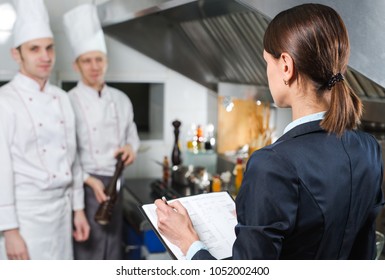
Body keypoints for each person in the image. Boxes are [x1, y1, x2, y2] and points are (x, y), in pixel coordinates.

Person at [155, 3, 384, 260]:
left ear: (286, 65)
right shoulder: (368, 148)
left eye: (267, 62)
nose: (267, 72)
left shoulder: (273, 164)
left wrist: (188, 242)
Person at [0, 0, 90, 260]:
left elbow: (71, 159)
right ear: (17, 55)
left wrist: (78, 210)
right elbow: (1, 169)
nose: (45, 56)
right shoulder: (5, 101)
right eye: (35, 49)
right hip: (26, 218)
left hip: (62, 213)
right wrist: (10, 231)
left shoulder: (62, 98)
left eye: (50, 47)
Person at [63, 4, 140, 260]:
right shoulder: (67, 102)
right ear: (76, 65)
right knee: (88, 251)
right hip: (85, 185)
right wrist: (87, 179)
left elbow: (132, 135)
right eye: (87, 61)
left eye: (99, 59)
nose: (94, 66)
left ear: (106, 61)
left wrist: (131, 148)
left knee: (113, 249)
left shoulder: (121, 99)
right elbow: (64, 153)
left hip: (116, 181)